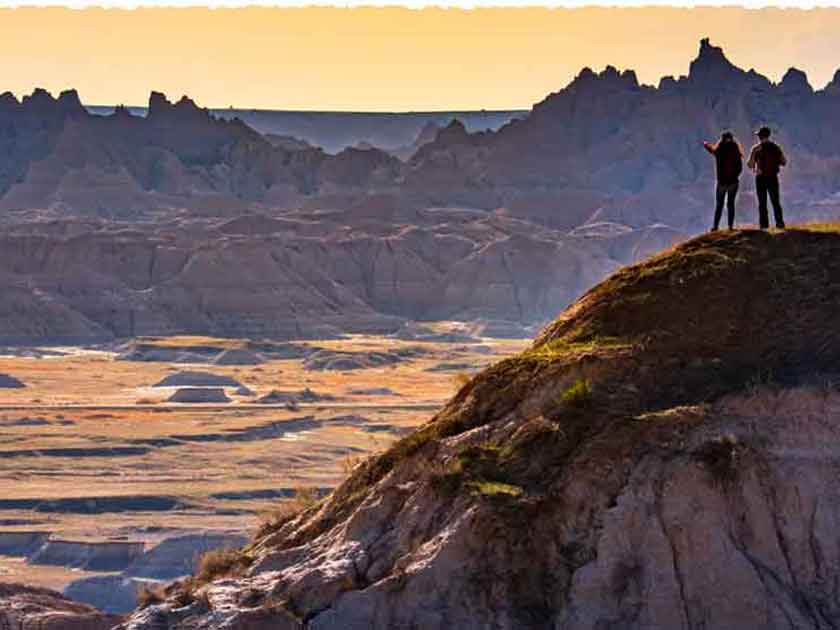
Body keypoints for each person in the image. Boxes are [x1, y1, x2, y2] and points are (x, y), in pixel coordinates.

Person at [747, 126, 787, 229]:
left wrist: (753, 155)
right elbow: (784, 162)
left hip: (760, 178)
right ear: (768, 135)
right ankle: (780, 224)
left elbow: (750, 165)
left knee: (762, 203)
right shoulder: (775, 147)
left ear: (760, 136)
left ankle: (764, 226)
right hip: (773, 177)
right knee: (775, 202)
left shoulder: (756, 148)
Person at [702, 131, 743, 231]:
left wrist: (705, 144)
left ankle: (715, 227)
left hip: (722, 183)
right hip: (733, 183)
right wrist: (734, 177)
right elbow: (740, 168)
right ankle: (730, 226)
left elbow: (711, 150)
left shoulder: (719, 150)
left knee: (719, 205)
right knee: (731, 204)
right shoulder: (736, 151)